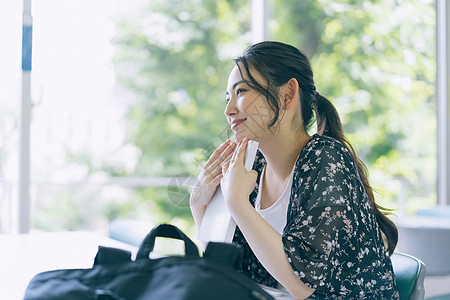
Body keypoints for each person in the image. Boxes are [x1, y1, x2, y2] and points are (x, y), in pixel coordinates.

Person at [190, 41, 399, 299]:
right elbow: (229, 270)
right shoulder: (251, 168)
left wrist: (237, 203)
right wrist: (199, 204)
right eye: (227, 97)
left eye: (241, 91)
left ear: (288, 94)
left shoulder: (325, 159)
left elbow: (302, 284)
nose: (228, 110)